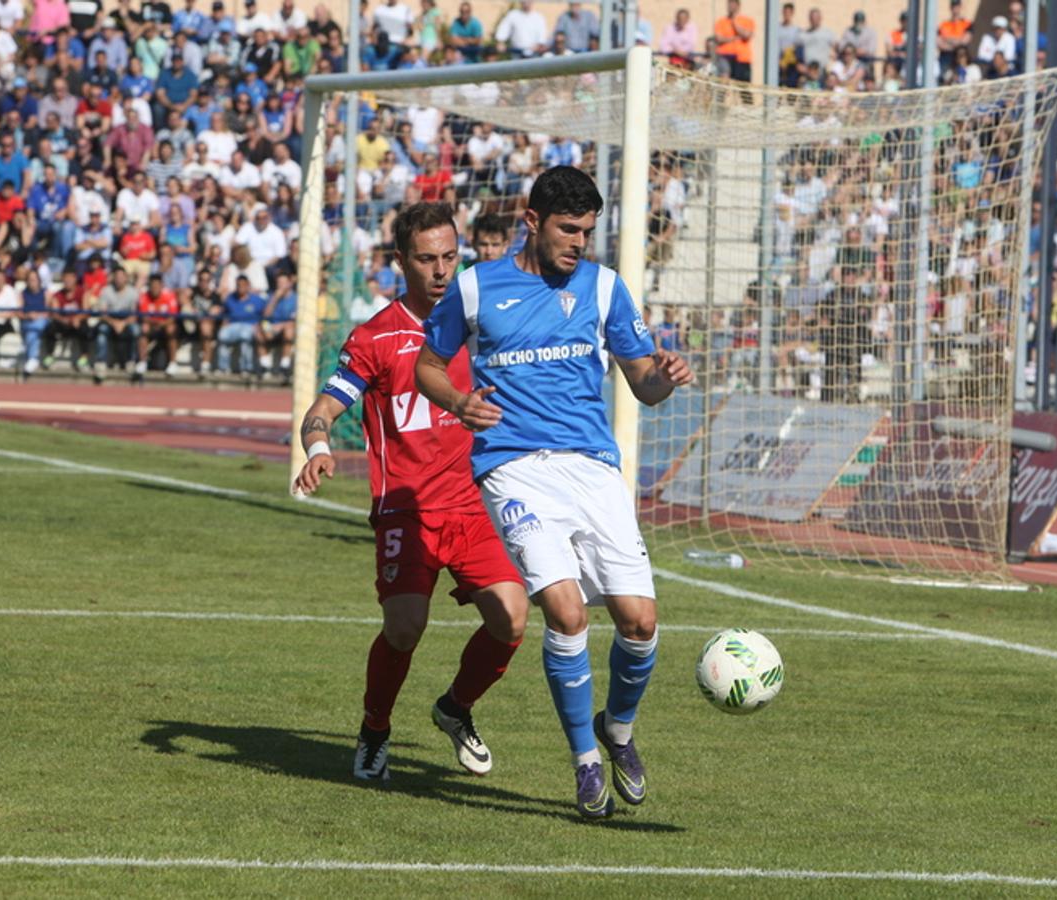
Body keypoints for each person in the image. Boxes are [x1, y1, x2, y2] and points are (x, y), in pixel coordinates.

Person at [415, 167, 693, 819]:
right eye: (568, 229)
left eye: (588, 231)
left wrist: (667, 377)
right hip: (513, 469)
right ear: (532, 222)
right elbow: (428, 365)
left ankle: (617, 732)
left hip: (594, 469)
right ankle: (584, 765)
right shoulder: (478, 287)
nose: (579, 242)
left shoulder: (604, 288)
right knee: (566, 614)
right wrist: (459, 401)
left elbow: (644, 384)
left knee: (640, 623)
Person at [297, 202, 528, 782]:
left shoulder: (483, 323)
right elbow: (321, 411)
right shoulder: (376, 337)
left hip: (475, 503)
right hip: (407, 509)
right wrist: (319, 449)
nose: (442, 270)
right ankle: (376, 728)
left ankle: (455, 708)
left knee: (513, 620)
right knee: (404, 629)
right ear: (401, 262)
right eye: (427, 259)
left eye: (451, 256)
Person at [713, 0, 755, 83]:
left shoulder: (747, 21)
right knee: (723, 85)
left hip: (742, 59)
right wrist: (734, 38)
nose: (730, 6)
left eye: (733, 4)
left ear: (738, 6)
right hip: (725, 58)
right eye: (729, 4)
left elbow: (747, 35)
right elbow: (718, 39)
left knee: (743, 89)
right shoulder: (721, 22)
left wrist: (734, 23)